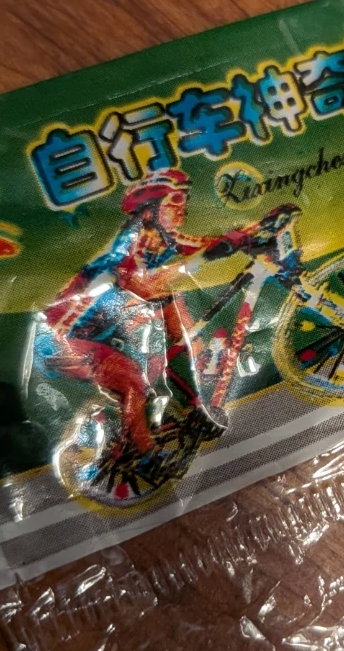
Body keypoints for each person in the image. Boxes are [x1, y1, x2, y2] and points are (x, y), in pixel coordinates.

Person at [36, 168, 287, 457]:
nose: (182, 208)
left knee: (171, 326)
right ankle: (144, 454)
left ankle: (196, 383)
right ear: (149, 211)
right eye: (175, 201)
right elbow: (140, 284)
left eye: (184, 200)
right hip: (63, 339)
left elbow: (209, 245)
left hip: (106, 332)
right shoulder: (125, 248)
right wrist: (195, 263)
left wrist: (258, 229)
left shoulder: (164, 240)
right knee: (134, 378)